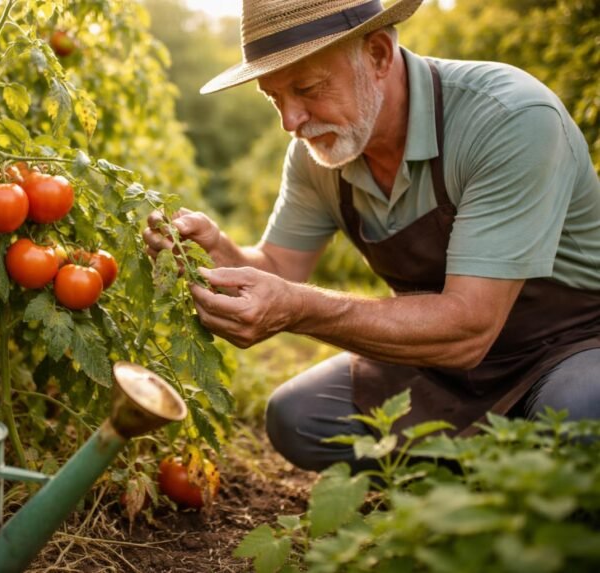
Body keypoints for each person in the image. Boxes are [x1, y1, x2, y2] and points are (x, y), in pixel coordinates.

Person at [142, 0, 600, 472]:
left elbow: (470, 327)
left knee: (584, 411)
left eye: (307, 88)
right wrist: (218, 251)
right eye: (274, 97)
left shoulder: (508, 117)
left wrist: (301, 307)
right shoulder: (319, 154)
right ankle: (493, 474)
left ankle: (497, 474)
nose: (290, 121)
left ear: (378, 55)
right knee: (297, 417)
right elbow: (279, 269)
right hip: (438, 360)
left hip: (571, 346)